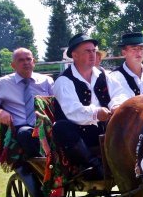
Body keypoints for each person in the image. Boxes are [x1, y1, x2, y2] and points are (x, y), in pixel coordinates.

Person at [52, 34, 130, 179]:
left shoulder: (104, 75)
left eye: (94, 51)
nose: (92, 54)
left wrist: (115, 105)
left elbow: (120, 93)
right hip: (80, 135)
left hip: (107, 129)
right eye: (87, 51)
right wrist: (96, 113)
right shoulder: (64, 81)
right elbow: (73, 111)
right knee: (61, 127)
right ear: (74, 55)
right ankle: (93, 167)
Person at [0, 48, 53, 157]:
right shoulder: (3, 83)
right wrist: (0, 112)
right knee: (25, 133)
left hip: (46, 126)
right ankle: (43, 164)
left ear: (34, 62)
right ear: (13, 65)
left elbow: (57, 104)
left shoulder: (46, 81)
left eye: (28, 59)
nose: (26, 63)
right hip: (22, 128)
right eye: (21, 60)